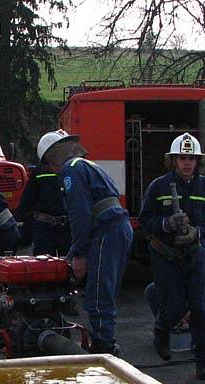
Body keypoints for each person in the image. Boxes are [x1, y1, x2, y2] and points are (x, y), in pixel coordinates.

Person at [36, 129, 133, 355]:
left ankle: (105, 349)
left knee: (97, 294)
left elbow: (79, 214)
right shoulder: (89, 165)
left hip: (106, 230)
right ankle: (106, 341)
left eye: (49, 164)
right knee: (105, 291)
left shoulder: (71, 170)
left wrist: (79, 254)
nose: (51, 170)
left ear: (53, 156)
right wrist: (72, 254)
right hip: (117, 227)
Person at [139, 132, 205, 380]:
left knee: (200, 306)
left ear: (198, 161)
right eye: (182, 158)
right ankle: (161, 330)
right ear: (173, 160)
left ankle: (202, 360)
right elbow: (145, 219)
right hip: (165, 256)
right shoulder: (158, 187)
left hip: (196, 255)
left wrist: (198, 232)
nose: (187, 163)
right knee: (174, 304)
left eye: (191, 158)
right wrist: (165, 223)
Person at [15, 162, 71, 256]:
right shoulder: (70, 170)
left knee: (46, 264)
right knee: (48, 265)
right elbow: (27, 199)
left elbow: (27, 199)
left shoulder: (40, 171)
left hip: (52, 227)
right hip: (50, 227)